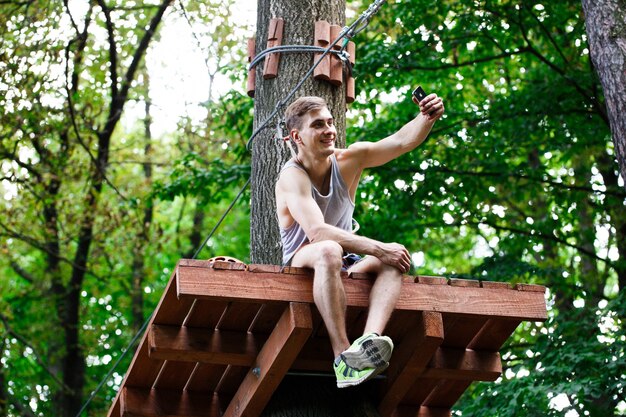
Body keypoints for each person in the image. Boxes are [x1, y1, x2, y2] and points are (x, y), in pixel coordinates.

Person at [275, 91, 445, 388]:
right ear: (296, 136)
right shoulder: (292, 176)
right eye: (317, 125)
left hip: (348, 259)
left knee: (394, 260)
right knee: (330, 249)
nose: (328, 130)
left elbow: (401, 141)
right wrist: (380, 248)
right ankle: (342, 357)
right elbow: (318, 233)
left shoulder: (349, 160)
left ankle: (367, 343)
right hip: (305, 258)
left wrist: (425, 117)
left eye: (329, 122)